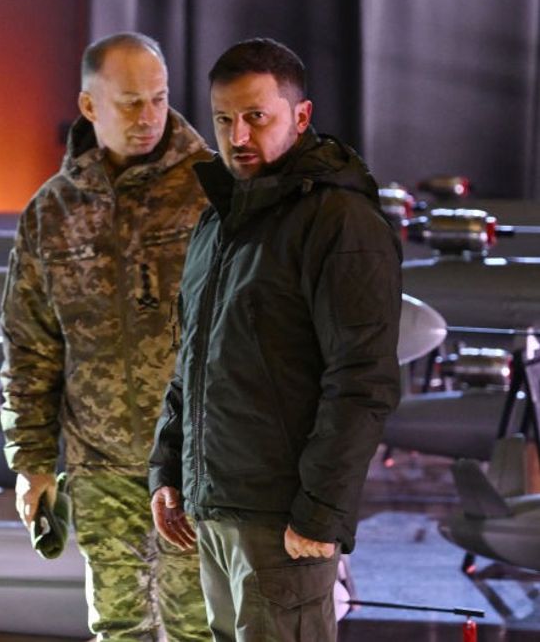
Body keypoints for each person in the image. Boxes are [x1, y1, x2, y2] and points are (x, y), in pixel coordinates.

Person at [148, 37, 401, 641]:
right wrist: (168, 470)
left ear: (301, 116)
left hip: (285, 521)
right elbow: (194, 361)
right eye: (224, 120)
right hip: (215, 509)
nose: (238, 136)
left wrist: (321, 511)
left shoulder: (340, 222)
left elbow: (362, 381)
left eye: (256, 117)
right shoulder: (219, 220)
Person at [0, 32, 211, 641]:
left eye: (159, 99)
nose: (149, 117)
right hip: (99, 465)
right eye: (130, 102)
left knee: (201, 628)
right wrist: (31, 462)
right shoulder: (53, 211)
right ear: (89, 106)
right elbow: (30, 345)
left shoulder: (214, 192)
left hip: (197, 459)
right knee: (118, 628)